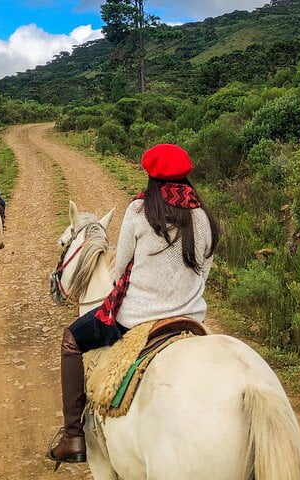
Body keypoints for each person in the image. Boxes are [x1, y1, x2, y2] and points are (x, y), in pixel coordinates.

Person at [47, 144, 220, 465]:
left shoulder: (139, 211)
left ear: (151, 176)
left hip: (137, 319)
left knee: (71, 340)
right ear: (187, 175)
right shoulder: (204, 217)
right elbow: (203, 274)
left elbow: (120, 266)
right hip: (191, 318)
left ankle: (73, 435)